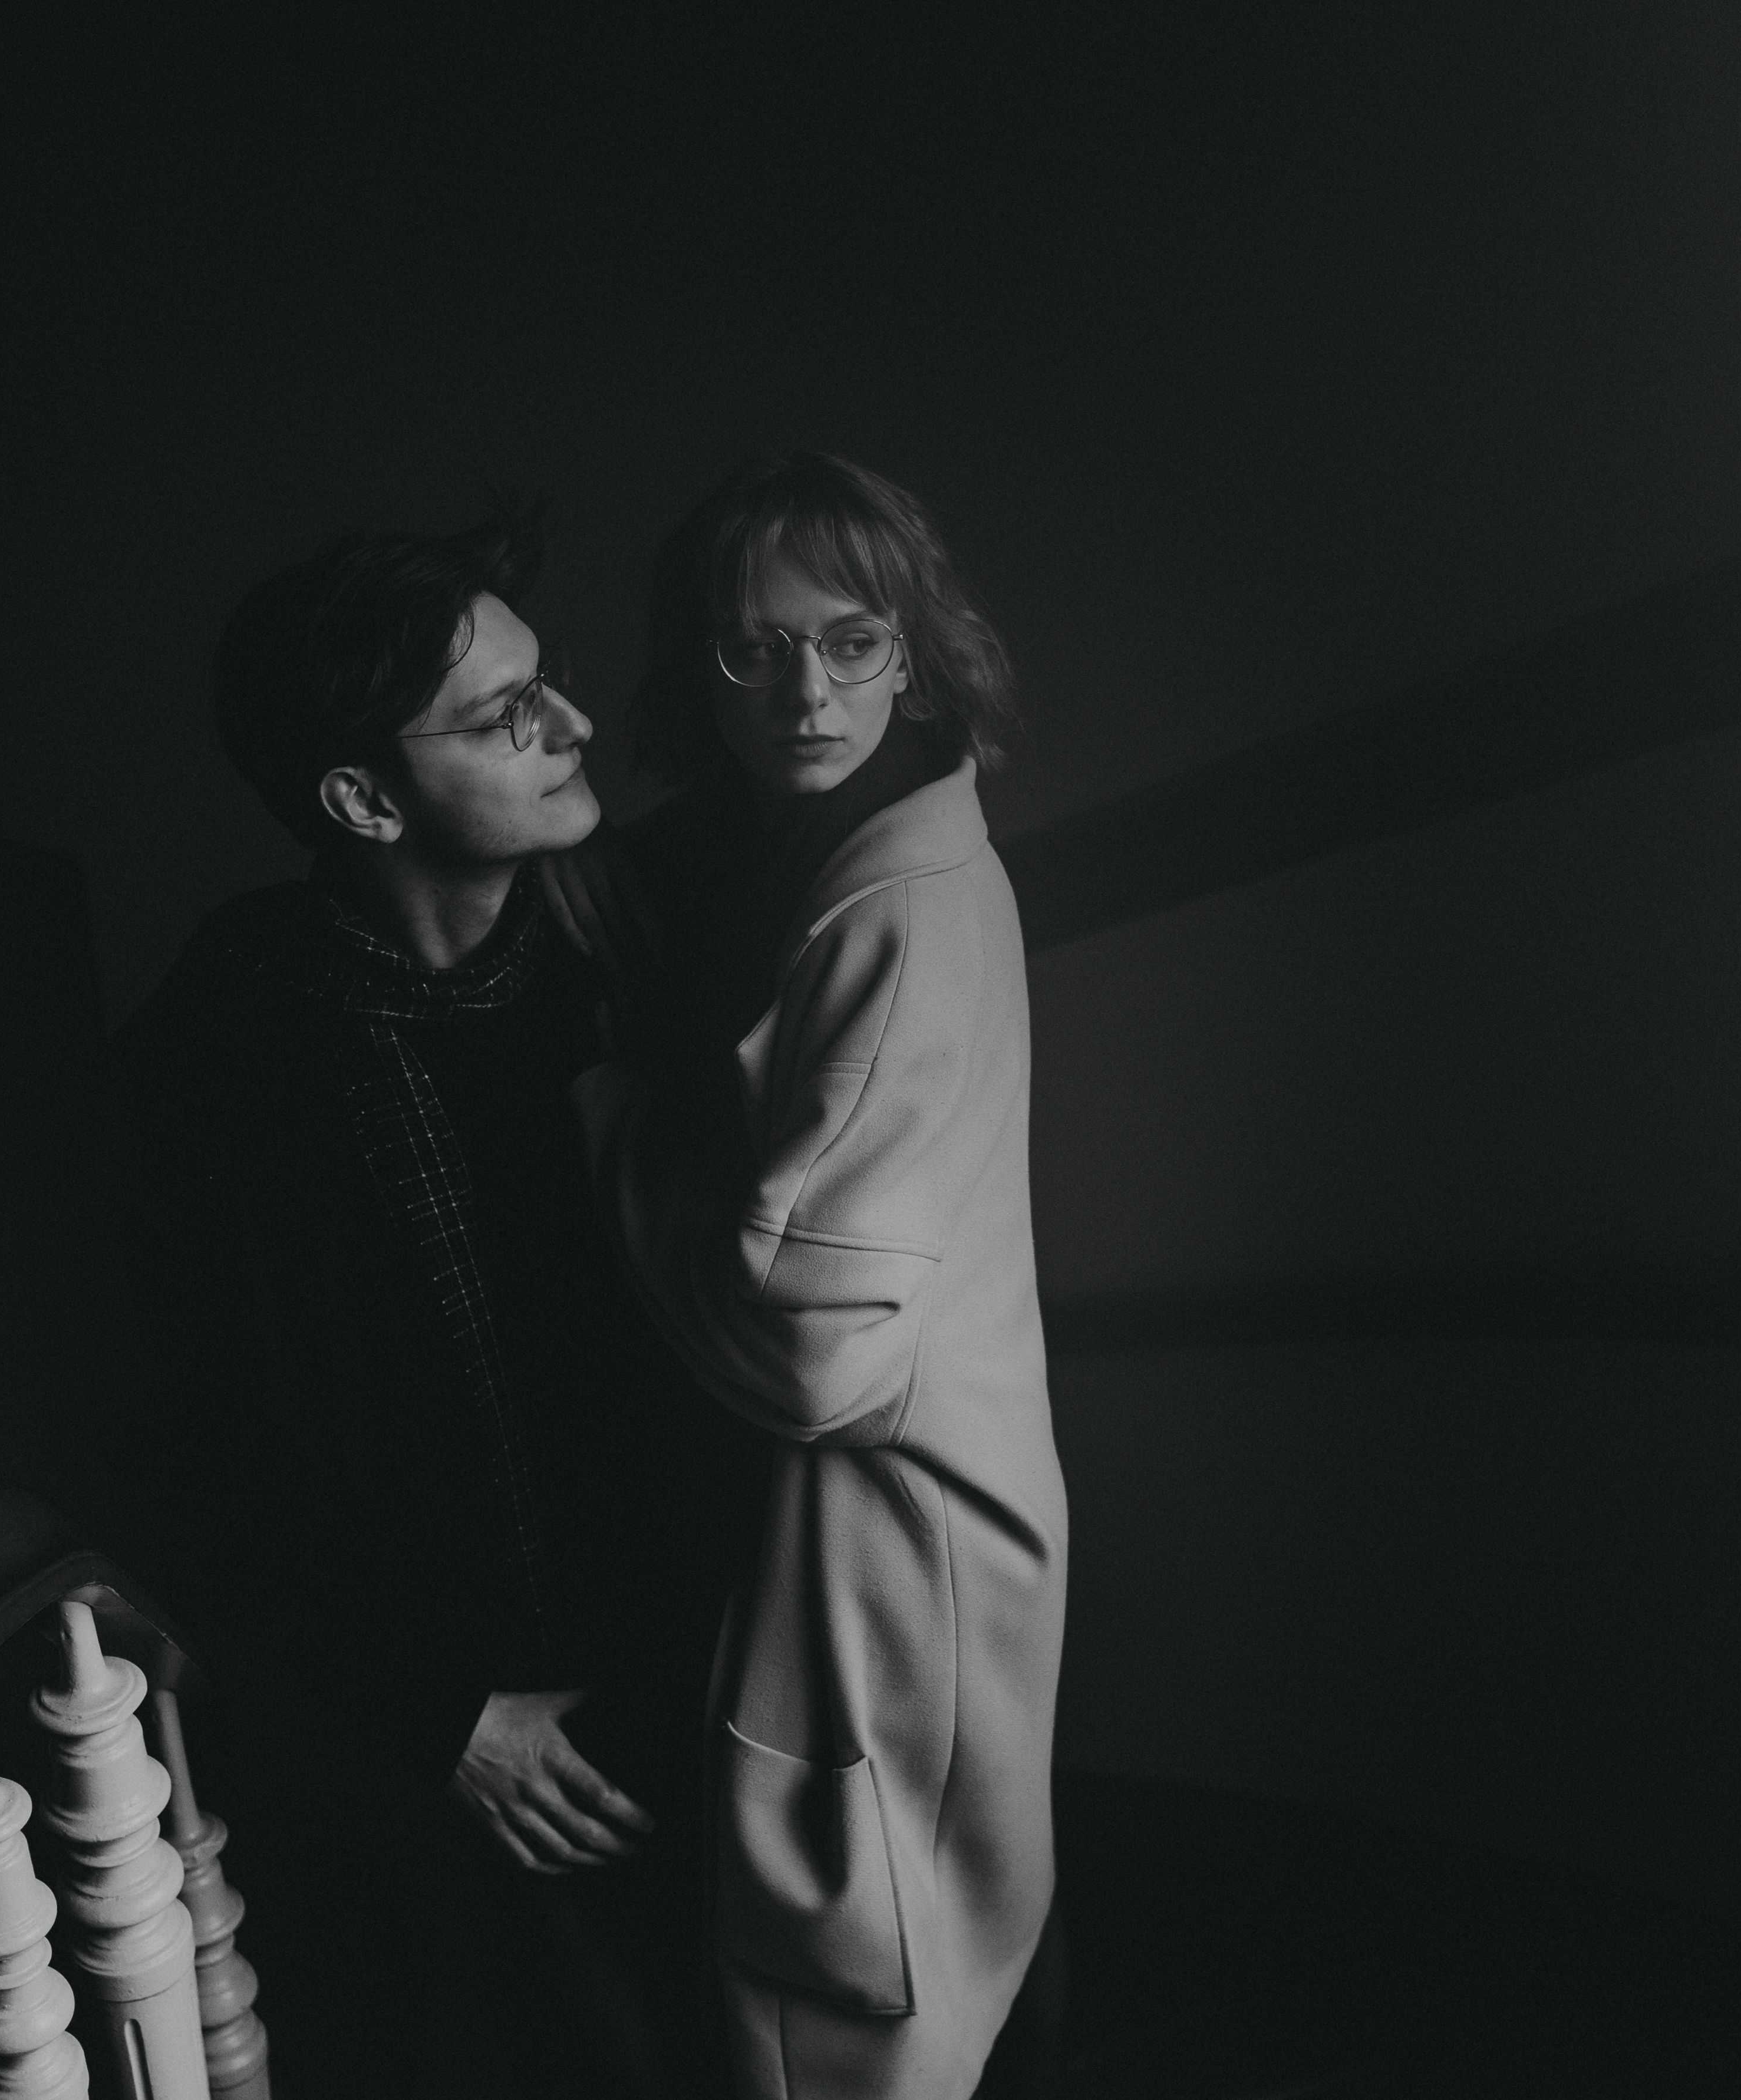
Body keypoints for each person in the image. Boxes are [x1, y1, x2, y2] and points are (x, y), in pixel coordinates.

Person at [101, 506, 746, 2098]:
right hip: (429, 1743)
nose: (572, 724)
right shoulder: (228, 1047)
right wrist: (443, 1717)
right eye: (505, 712)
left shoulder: (627, 950)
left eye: (549, 681)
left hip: (687, 1663)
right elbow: (189, 1455)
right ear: (363, 799)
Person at [548, 452, 1070, 2099]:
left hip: (886, 1518)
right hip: (868, 1513)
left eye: (852, 640)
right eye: (752, 649)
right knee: (902, 1965)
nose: (806, 693)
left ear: (915, 648)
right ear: (697, 668)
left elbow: (818, 1363)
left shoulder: (897, 908)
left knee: (865, 2006)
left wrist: (614, 1125)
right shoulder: (778, 850)